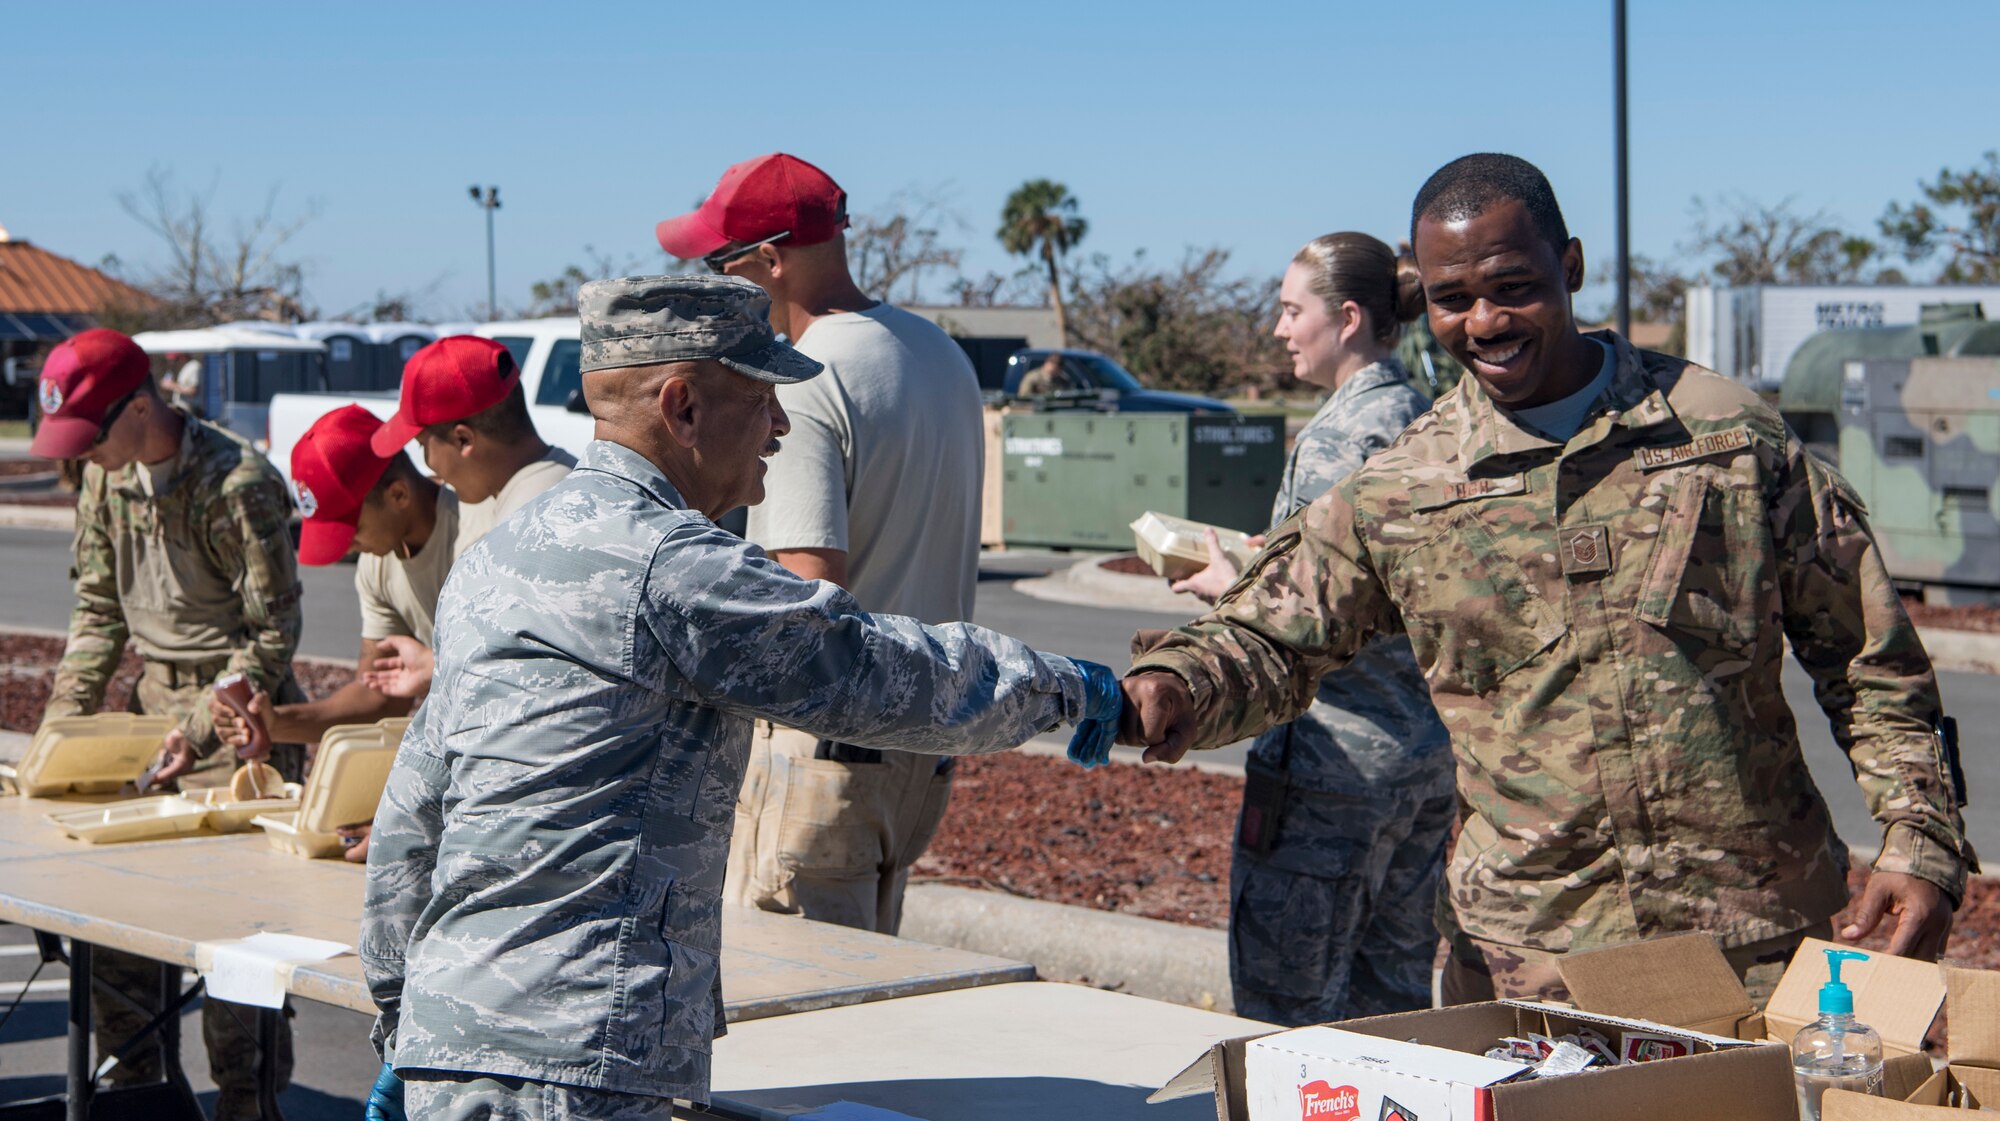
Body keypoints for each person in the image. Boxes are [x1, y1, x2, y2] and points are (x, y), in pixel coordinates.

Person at [1119, 153, 1972, 1007]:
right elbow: (1269, 634)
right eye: (1452, 300)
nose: (1484, 321)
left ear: (1570, 268)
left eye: (1512, 287)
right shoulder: (1404, 486)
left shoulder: (1727, 436)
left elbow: (1867, 657)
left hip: (1755, 948)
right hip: (1530, 969)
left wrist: (1919, 833)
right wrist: (1172, 684)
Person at [359, 275, 1121, 1118]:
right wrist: (1073, 688)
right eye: (761, 397)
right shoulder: (673, 566)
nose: (782, 423)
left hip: (457, 1043)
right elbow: (885, 676)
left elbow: (413, 812)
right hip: (577, 1065)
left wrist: (402, 1017)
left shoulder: (496, 560)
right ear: (682, 407)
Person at [657, 153, 989, 935]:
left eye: (719, 263)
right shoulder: (936, 352)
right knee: (871, 1001)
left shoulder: (805, 377)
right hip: (920, 748)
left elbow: (806, 601)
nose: (712, 286)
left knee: (800, 1023)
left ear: (770, 261)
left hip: (825, 760)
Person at [1169, 232, 1453, 1025]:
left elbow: (1310, 619)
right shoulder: (1428, 420)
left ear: (1350, 317)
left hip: (1332, 773)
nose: (1278, 327)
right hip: (1422, 766)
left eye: (1293, 310)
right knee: (1392, 1019)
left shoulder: (1337, 439)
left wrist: (1233, 587)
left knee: (1287, 1023)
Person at [29, 328, 300, 1120]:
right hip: (152, 715)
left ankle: (247, 1106)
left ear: (140, 408)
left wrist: (200, 724)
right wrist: (64, 728)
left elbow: (272, 636)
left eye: (91, 435)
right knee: (119, 944)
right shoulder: (103, 480)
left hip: (238, 728)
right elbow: (97, 610)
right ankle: (137, 1098)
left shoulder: (237, 481)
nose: (82, 455)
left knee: (236, 961)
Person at [211, 404, 454, 861]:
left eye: (352, 527)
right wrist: (278, 723)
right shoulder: (376, 564)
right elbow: (378, 695)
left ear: (398, 494)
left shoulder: (478, 532)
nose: (348, 544)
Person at [359, 335, 575, 698]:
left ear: (463, 441)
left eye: (423, 445)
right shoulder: (563, 478)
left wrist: (438, 666)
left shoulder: (519, 525)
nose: (428, 464)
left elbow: (531, 677)